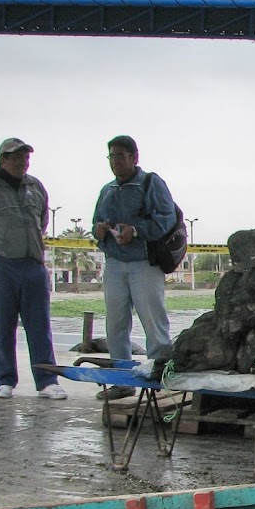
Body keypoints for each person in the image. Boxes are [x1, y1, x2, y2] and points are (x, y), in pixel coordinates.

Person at [91, 135, 178, 400]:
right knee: (115, 325)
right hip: (115, 265)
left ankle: (160, 382)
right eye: (112, 156)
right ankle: (122, 381)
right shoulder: (107, 191)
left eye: (121, 155)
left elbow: (166, 218)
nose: (116, 162)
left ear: (134, 157)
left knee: (154, 324)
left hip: (143, 265)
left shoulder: (150, 183)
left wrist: (137, 231)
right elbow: (96, 222)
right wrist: (99, 231)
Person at [0, 138, 68, 400]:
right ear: (3, 160)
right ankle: (4, 380)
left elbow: (42, 221)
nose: (23, 162)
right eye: (17, 157)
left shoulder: (36, 186)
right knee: (1, 324)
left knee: (39, 325)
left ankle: (47, 380)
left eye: (26, 157)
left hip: (33, 264)